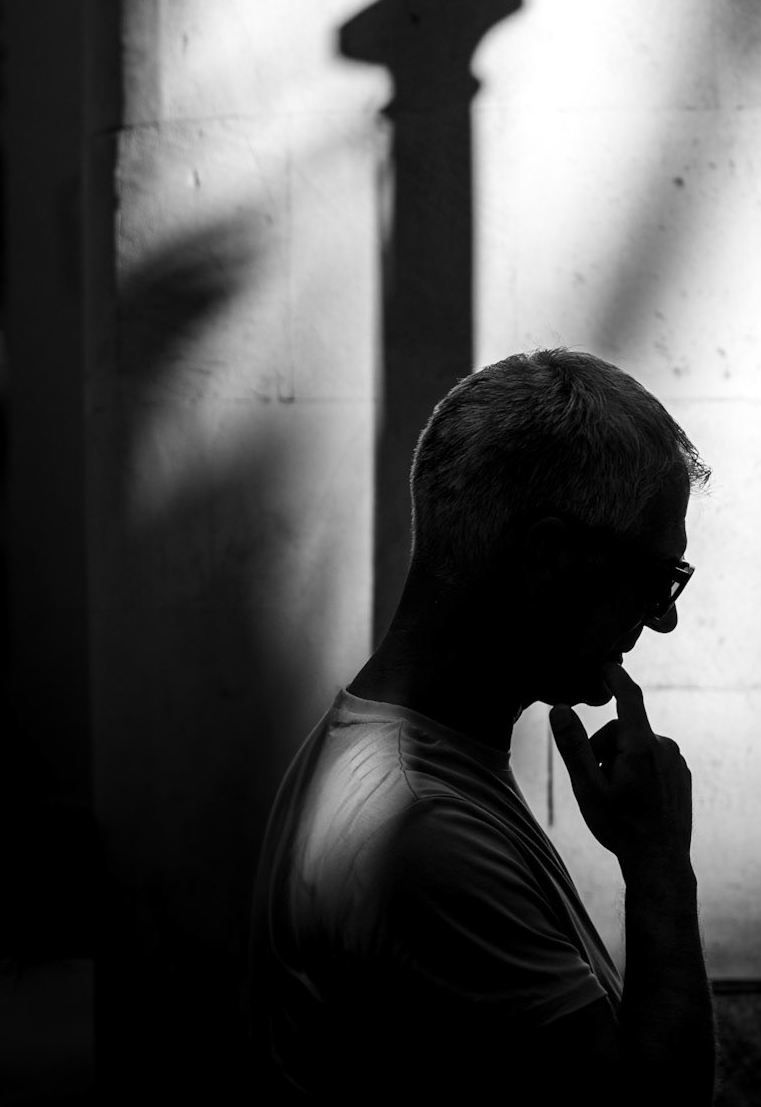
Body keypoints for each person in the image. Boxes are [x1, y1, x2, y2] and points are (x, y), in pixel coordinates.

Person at [247, 347, 717, 1103]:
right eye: (657, 578)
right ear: (550, 558)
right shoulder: (423, 833)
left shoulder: (401, 766)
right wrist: (660, 869)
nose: (662, 620)